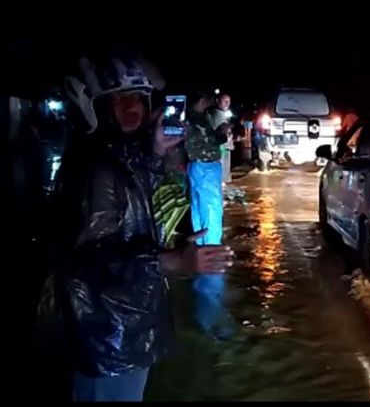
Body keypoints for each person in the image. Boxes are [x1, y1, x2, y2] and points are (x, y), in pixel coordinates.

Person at [35, 50, 234, 402]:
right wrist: (169, 262)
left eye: (139, 99)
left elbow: (130, 199)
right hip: (108, 338)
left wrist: (156, 153)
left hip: (123, 329)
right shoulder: (95, 169)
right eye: (120, 100)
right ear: (95, 108)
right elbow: (89, 260)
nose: (133, 108)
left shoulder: (115, 155)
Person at [185, 90, 233, 336]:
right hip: (205, 168)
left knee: (201, 215)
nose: (208, 102)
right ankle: (211, 266)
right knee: (211, 218)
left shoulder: (190, 117)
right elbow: (214, 141)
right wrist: (223, 133)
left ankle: (205, 261)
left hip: (197, 168)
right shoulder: (196, 118)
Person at [207, 93, 234, 183]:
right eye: (225, 101)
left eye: (228, 101)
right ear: (218, 101)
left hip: (223, 148)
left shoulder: (220, 113)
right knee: (221, 173)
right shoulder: (217, 114)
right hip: (221, 148)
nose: (227, 103)